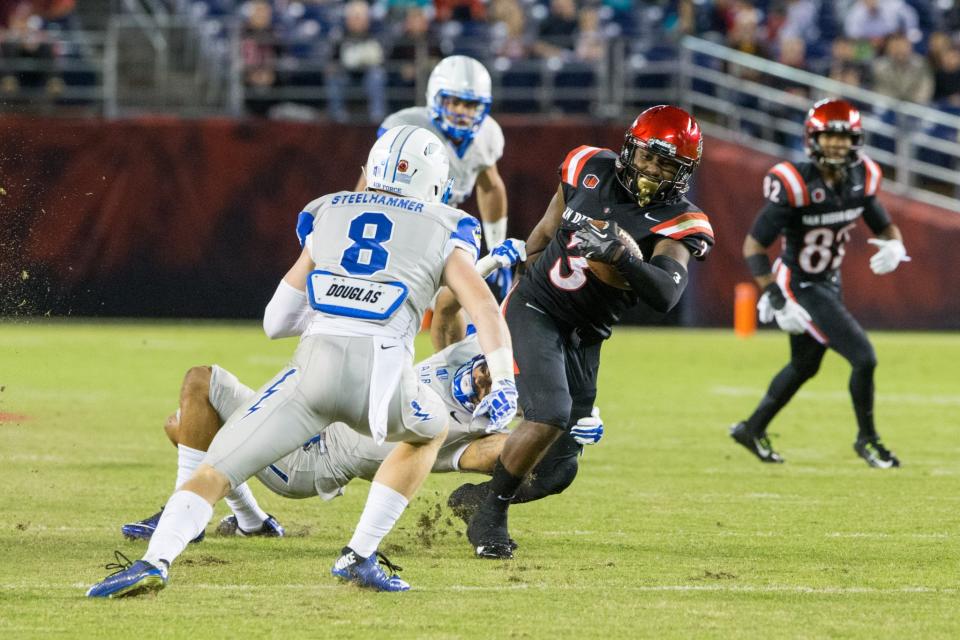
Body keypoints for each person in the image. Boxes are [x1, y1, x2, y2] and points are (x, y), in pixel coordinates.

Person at [87, 125, 517, 597]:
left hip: (314, 368)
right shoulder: (445, 224)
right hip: (384, 382)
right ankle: (359, 554)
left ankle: (155, 561)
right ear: (435, 181)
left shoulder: (329, 211)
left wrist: (340, 303)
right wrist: (503, 383)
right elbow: (482, 310)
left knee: (215, 469)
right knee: (429, 429)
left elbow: (275, 321)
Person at [465, 105, 715, 559]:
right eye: (647, 157)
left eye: (666, 164)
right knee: (550, 413)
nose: (652, 170)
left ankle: (479, 497)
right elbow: (545, 230)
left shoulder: (679, 220)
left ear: (683, 173)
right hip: (538, 306)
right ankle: (491, 516)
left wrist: (623, 258)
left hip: (585, 335)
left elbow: (666, 294)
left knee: (558, 472)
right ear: (629, 150)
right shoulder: (587, 166)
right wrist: (511, 293)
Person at [120, 333, 604, 542]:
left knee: (199, 394)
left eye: (504, 383)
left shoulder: (467, 436)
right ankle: (250, 521)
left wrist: (561, 435)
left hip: (309, 459)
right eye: (494, 372)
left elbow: (508, 455)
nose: (486, 379)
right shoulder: (479, 352)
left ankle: (190, 512)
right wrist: (491, 260)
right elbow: (454, 308)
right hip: (319, 411)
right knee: (183, 418)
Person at [730, 98, 908, 469]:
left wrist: (895, 243)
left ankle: (751, 428)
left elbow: (883, 223)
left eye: (844, 138)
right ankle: (868, 439)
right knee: (864, 358)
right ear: (813, 138)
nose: (837, 145)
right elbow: (754, 245)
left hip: (829, 280)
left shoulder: (862, 177)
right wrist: (776, 295)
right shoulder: (796, 182)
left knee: (804, 365)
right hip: (801, 283)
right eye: (829, 136)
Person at [356, 55, 512, 303]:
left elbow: (491, 185)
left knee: (447, 306)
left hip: (437, 229)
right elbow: (369, 186)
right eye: (455, 102)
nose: (463, 112)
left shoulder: (488, 134)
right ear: (435, 97)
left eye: (471, 105)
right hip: (398, 228)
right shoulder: (406, 127)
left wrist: (496, 243)